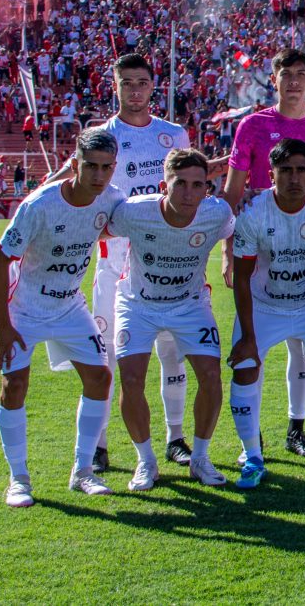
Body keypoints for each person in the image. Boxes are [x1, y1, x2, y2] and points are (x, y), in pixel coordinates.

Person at [49, 54, 195, 472]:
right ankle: (99, 445)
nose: (135, 90)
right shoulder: (101, 136)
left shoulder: (173, 134)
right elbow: (69, 181)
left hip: (168, 261)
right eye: (126, 82)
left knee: (171, 352)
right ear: (114, 86)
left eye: (142, 82)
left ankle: (175, 438)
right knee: (106, 357)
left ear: (153, 86)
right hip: (115, 263)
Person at [0, 129, 124, 506]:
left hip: (69, 306)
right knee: (14, 385)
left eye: (106, 168)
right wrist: (4, 325)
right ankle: (18, 479)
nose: (98, 175)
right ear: (75, 165)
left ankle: (82, 471)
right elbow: (0, 261)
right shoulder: (40, 204)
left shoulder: (112, 199)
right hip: (24, 309)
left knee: (99, 377)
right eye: (91, 166)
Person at [223, 48, 305, 459]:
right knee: (254, 341)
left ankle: (296, 429)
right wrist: (228, 249)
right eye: (287, 74)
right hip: (260, 246)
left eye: (302, 74)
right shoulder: (253, 125)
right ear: (274, 79)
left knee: (303, 345)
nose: (294, 82)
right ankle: (251, 440)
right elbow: (233, 193)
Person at [105, 149, 234, 489]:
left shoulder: (216, 213)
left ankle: (200, 459)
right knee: (132, 379)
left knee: (211, 375)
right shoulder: (134, 211)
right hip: (138, 305)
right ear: (164, 185)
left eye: (198, 185)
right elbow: (99, 229)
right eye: (181, 184)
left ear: (207, 188)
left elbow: (234, 230)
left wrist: (228, 257)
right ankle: (145, 461)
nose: (189, 193)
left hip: (189, 305)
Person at [228, 138, 305, 489]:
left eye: (301, 170)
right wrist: (248, 336)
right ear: (271, 175)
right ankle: (252, 458)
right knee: (245, 367)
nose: (294, 178)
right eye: (285, 171)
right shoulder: (253, 212)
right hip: (264, 305)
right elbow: (241, 277)